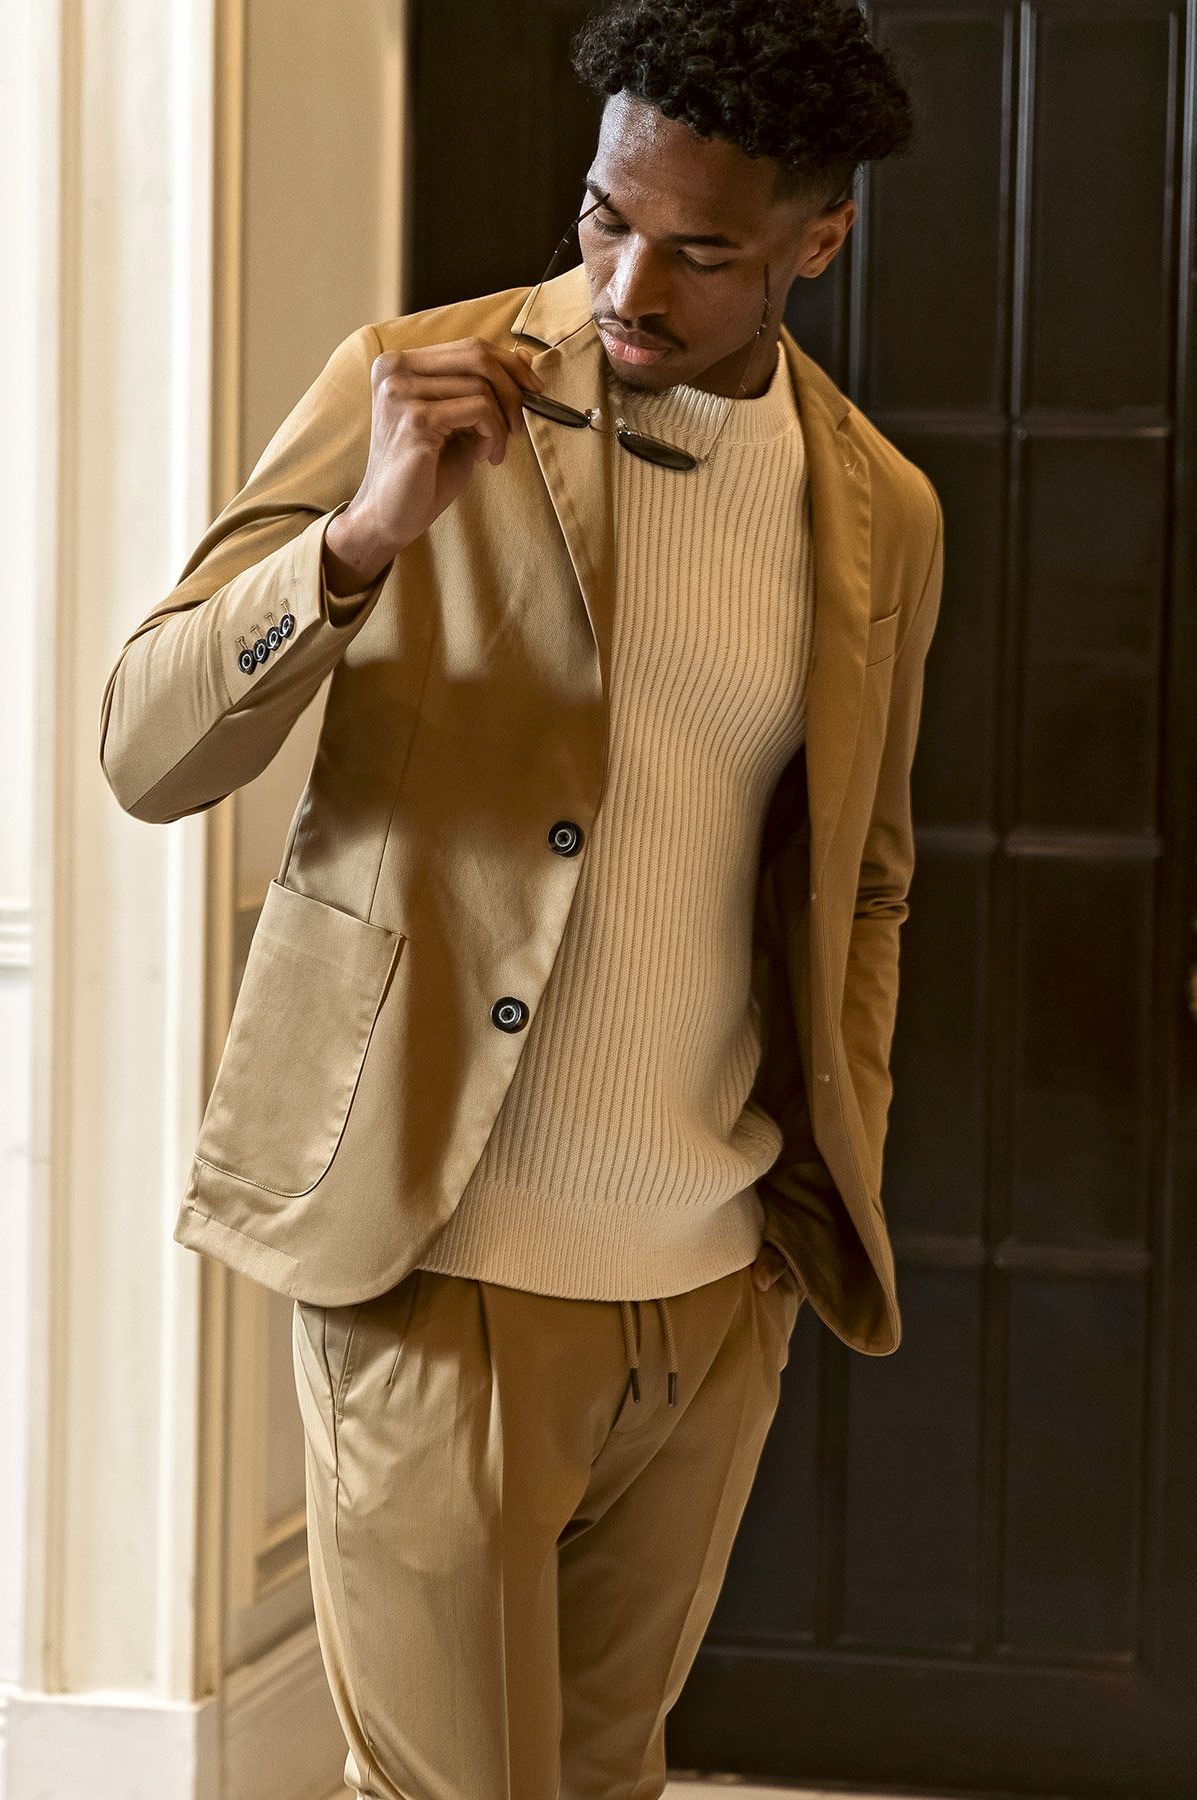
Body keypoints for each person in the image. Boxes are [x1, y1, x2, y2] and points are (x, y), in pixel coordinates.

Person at [99, 4, 941, 1794]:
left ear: (818, 242)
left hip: (709, 1288)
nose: (628, 285)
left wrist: (800, 1198)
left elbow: (866, 878)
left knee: (609, 1777)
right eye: (603, 218)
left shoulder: (881, 509)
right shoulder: (418, 378)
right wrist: (358, 540)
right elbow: (146, 749)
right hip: (441, 1265)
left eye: (700, 252)